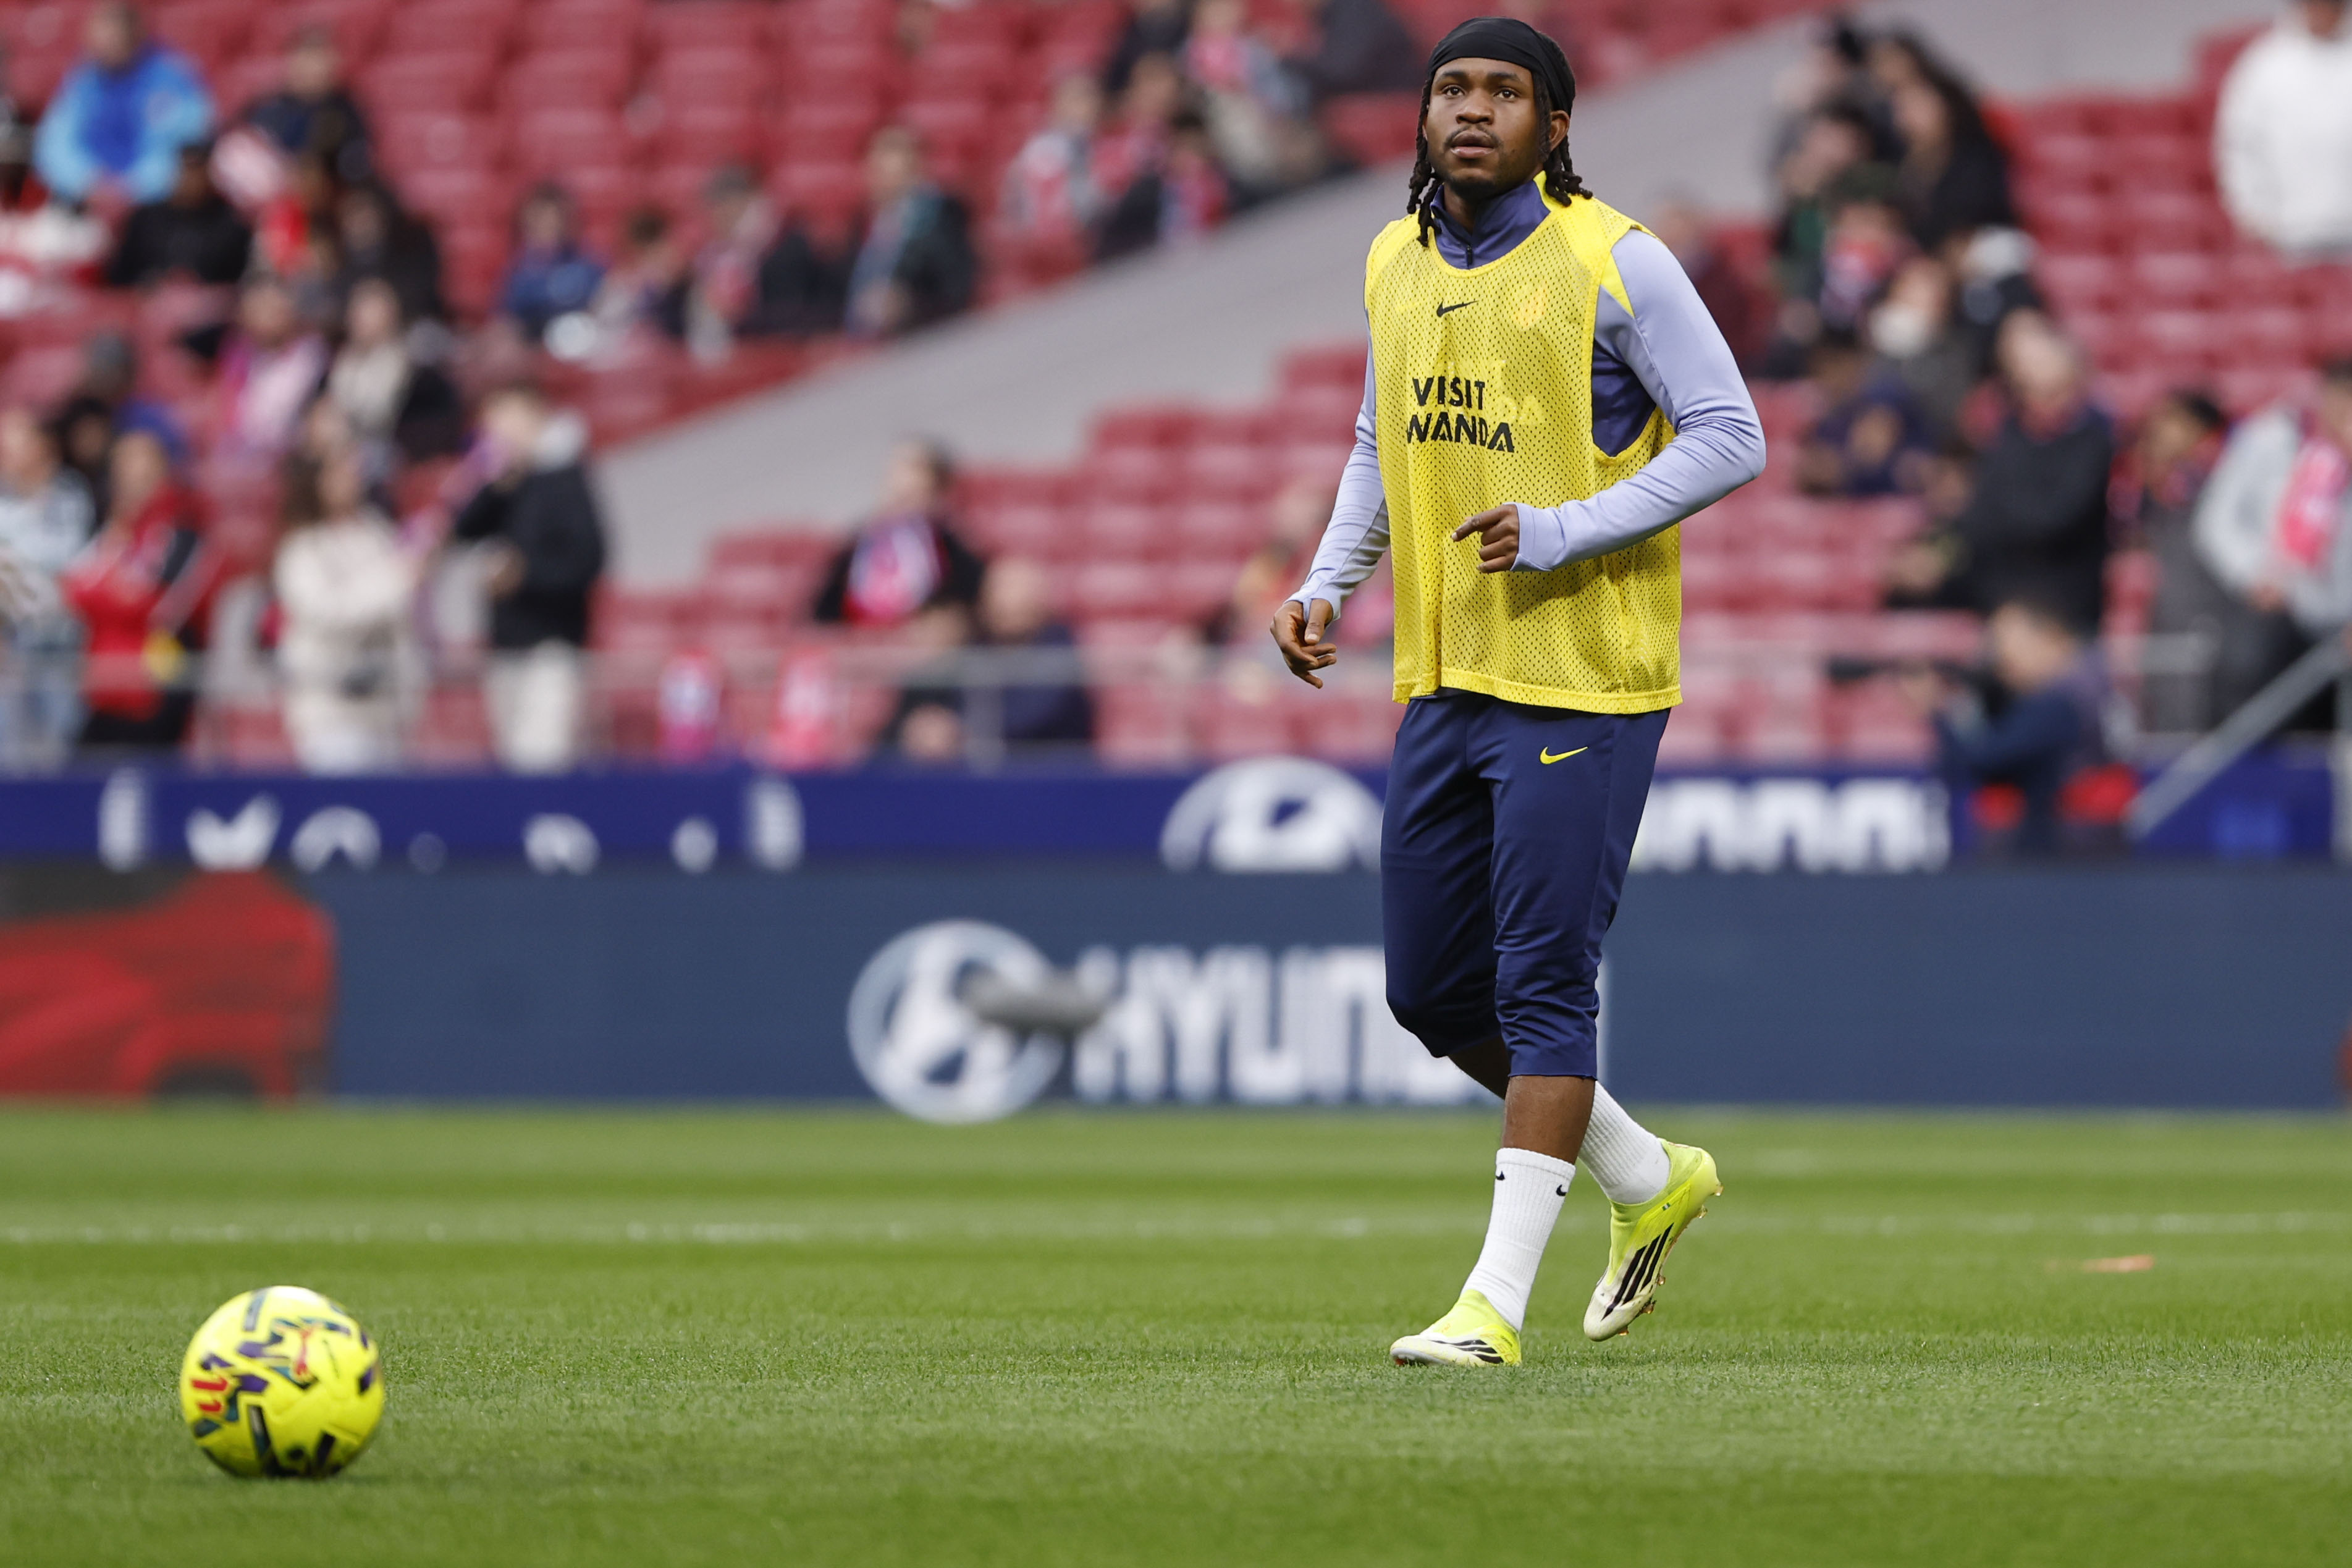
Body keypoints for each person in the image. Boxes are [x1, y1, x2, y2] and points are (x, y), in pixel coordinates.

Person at [1268, 19, 1766, 1367]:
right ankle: (1647, 1172)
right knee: (1431, 992)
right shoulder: (1392, 255)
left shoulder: (1615, 259)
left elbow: (1733, 435)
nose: (1472, 109)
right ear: (1421, 116)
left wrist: (1563, 528)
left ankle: (1490, 1308)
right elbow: (1379, 435)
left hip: (1580, 680)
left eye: (1504, 91)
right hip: (1444, 676)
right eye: (1451, 88)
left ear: (1555, 126)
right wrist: (1328, 579)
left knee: (1545, 985)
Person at [1887, 311, 2113, 633]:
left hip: (2060, 596)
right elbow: (1976, 510)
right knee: (1907, 596)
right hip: (1998, 585)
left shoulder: (2092, 436)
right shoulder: (2011, 432)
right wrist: (1935, 553)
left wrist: (1987, 519)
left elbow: (2049, 519)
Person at [449, 385, 607, 773]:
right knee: (512, 760)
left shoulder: (565, 477)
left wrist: (525, 575)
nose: (498, 430)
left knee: (542, 759)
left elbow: (588, 560)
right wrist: (489, 482)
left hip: (551, 646)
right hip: (505, 647)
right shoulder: (505, 483)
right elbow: (461, 529)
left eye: (506, 418)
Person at [2192, 356, 2352, 704]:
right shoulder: (2273, 437)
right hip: (2280, 607)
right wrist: (2254, 573)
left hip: (2341, 617)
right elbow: (2218, 519)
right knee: (2255, 685)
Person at [1904, 596, 2110, 856]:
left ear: (2048, 637)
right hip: (2084, 850)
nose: (2000, 661)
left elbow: (1980, 760)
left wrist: (1941, 708)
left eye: (2006, 644)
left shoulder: (2059, 702)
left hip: (2062, 854)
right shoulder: (2090, 683)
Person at [61, 427, 216, 754]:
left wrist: (106, 595)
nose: (129, 477)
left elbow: (156, 606)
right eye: (122, 467)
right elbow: (74, 589)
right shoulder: (112, 529)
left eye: (140, 464)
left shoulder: (182, 530)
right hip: (104, 683)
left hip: (155, 684)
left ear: (162, 470)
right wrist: (112, 591)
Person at [273, 443, 415, 773]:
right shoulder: (302, 547)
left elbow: (403, 613)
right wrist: (397, 584)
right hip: (332, 709)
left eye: (351, 470)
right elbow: (327, 614)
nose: (351, 478)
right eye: (338, 473)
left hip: (386, 706)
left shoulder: (378, 532)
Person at [2118, 390, 2241, 733]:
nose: (2159, 429)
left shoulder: (2217, 472)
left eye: (2172, 421)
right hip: (2165, 609)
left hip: (2207, 609)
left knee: (2194, 707)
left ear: (2199, 429)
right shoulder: (2149, 477)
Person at [33, 2, 214, 208]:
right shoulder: (84, 78)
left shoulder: (172, 77)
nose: (106, 44)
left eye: (114, 35)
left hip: (156, 206)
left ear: (135, 34)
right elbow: (54, 144)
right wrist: (89, 182)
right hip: (86, 201)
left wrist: (129, 189)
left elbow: (184, 147)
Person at [2215, 0, 2352, 259]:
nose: (2323, 12)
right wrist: (2255, 217)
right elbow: (2239, 145)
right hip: (2289, 237)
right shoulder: (2264, 64)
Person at [0, 408, 96, 769]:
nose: (6, 453)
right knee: (9, 749)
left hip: (61, 640)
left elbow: (70, 561)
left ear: (41, 445)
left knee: (62, 744)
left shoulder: (71, 494)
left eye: (15, 443)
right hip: (10, 643)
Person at [811, 438, 985, 628]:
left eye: (912, 470)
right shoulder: (859, 545)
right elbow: (822, 616)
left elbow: (968, 604)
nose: (901, 481)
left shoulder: (947, 547)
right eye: (895, 472)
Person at [845, 127, 977, 337]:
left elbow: (956, 290)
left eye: (891, 174)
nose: (880, 181)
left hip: (920, 340)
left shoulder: (942, 220)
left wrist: (907, 304)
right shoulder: (864, 223)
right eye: (877, 171)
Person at [326, 277, 465, 468]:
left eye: (368, 311)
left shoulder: (413, 367)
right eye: (356, 310)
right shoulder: (343, 362)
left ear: (390, 315)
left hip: (389, 454)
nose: (359, 319)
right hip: (345, 448)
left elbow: (388, 420)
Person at [1795, 326, 1934, 497]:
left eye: (1833, 365)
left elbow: (1871, 455)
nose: (1827, 377)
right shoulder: (1830, 418)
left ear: (1854, 362)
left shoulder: (1884, 395)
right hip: (1858, 504)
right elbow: (1811, 473)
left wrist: (1838, 468)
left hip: (1902, 503)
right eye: (1819, 369)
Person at [213, 274, 327, 464]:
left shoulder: (310, 354)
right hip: (242, 457)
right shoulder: (238, 355)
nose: (267, 316)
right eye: (259, 309)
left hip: (291, 459)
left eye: (274, 309)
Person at [104, 141, 251, 288]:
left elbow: (239, 281)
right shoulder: (146, 219)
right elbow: (119, 276)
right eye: (187, 169)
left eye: (198, 170)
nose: (192, 180)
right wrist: (149, 282)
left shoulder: (232, 225)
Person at [240, 24, 372, 185]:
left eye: (319, 60)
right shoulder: (266, 107)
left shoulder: (347, 113)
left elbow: (355, 169)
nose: (311, 69)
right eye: (305, 58)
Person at [998, 74, 1108, 251]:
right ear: (1057, 106)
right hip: (1061, 248)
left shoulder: (1096, 145)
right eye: (1078, 99)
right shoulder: (1043, 152)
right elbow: (1049, 221)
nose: (1089, 107)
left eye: (1092, 98)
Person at [499, 183, 605, 346]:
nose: (545, 227)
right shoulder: (518, 270)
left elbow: (600, 310)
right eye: (538, 221)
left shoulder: (587, 266)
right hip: (528, 345)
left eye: (551, 220)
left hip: (576, 342)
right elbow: (505, 319)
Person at [334, 180, 444, 326]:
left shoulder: (413, 245)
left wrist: (387, 298)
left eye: (364, 213)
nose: (359, 222)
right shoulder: (342, 259)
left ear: (381, 215)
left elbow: (425, 294)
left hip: (411, 325)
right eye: (352, 214)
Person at [1279, 0, 1422, 103]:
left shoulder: (1357, 10)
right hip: (1362, 91)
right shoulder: (1331, 15)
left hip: (1391, 95)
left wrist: (1292, 57)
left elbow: (1343, 70)